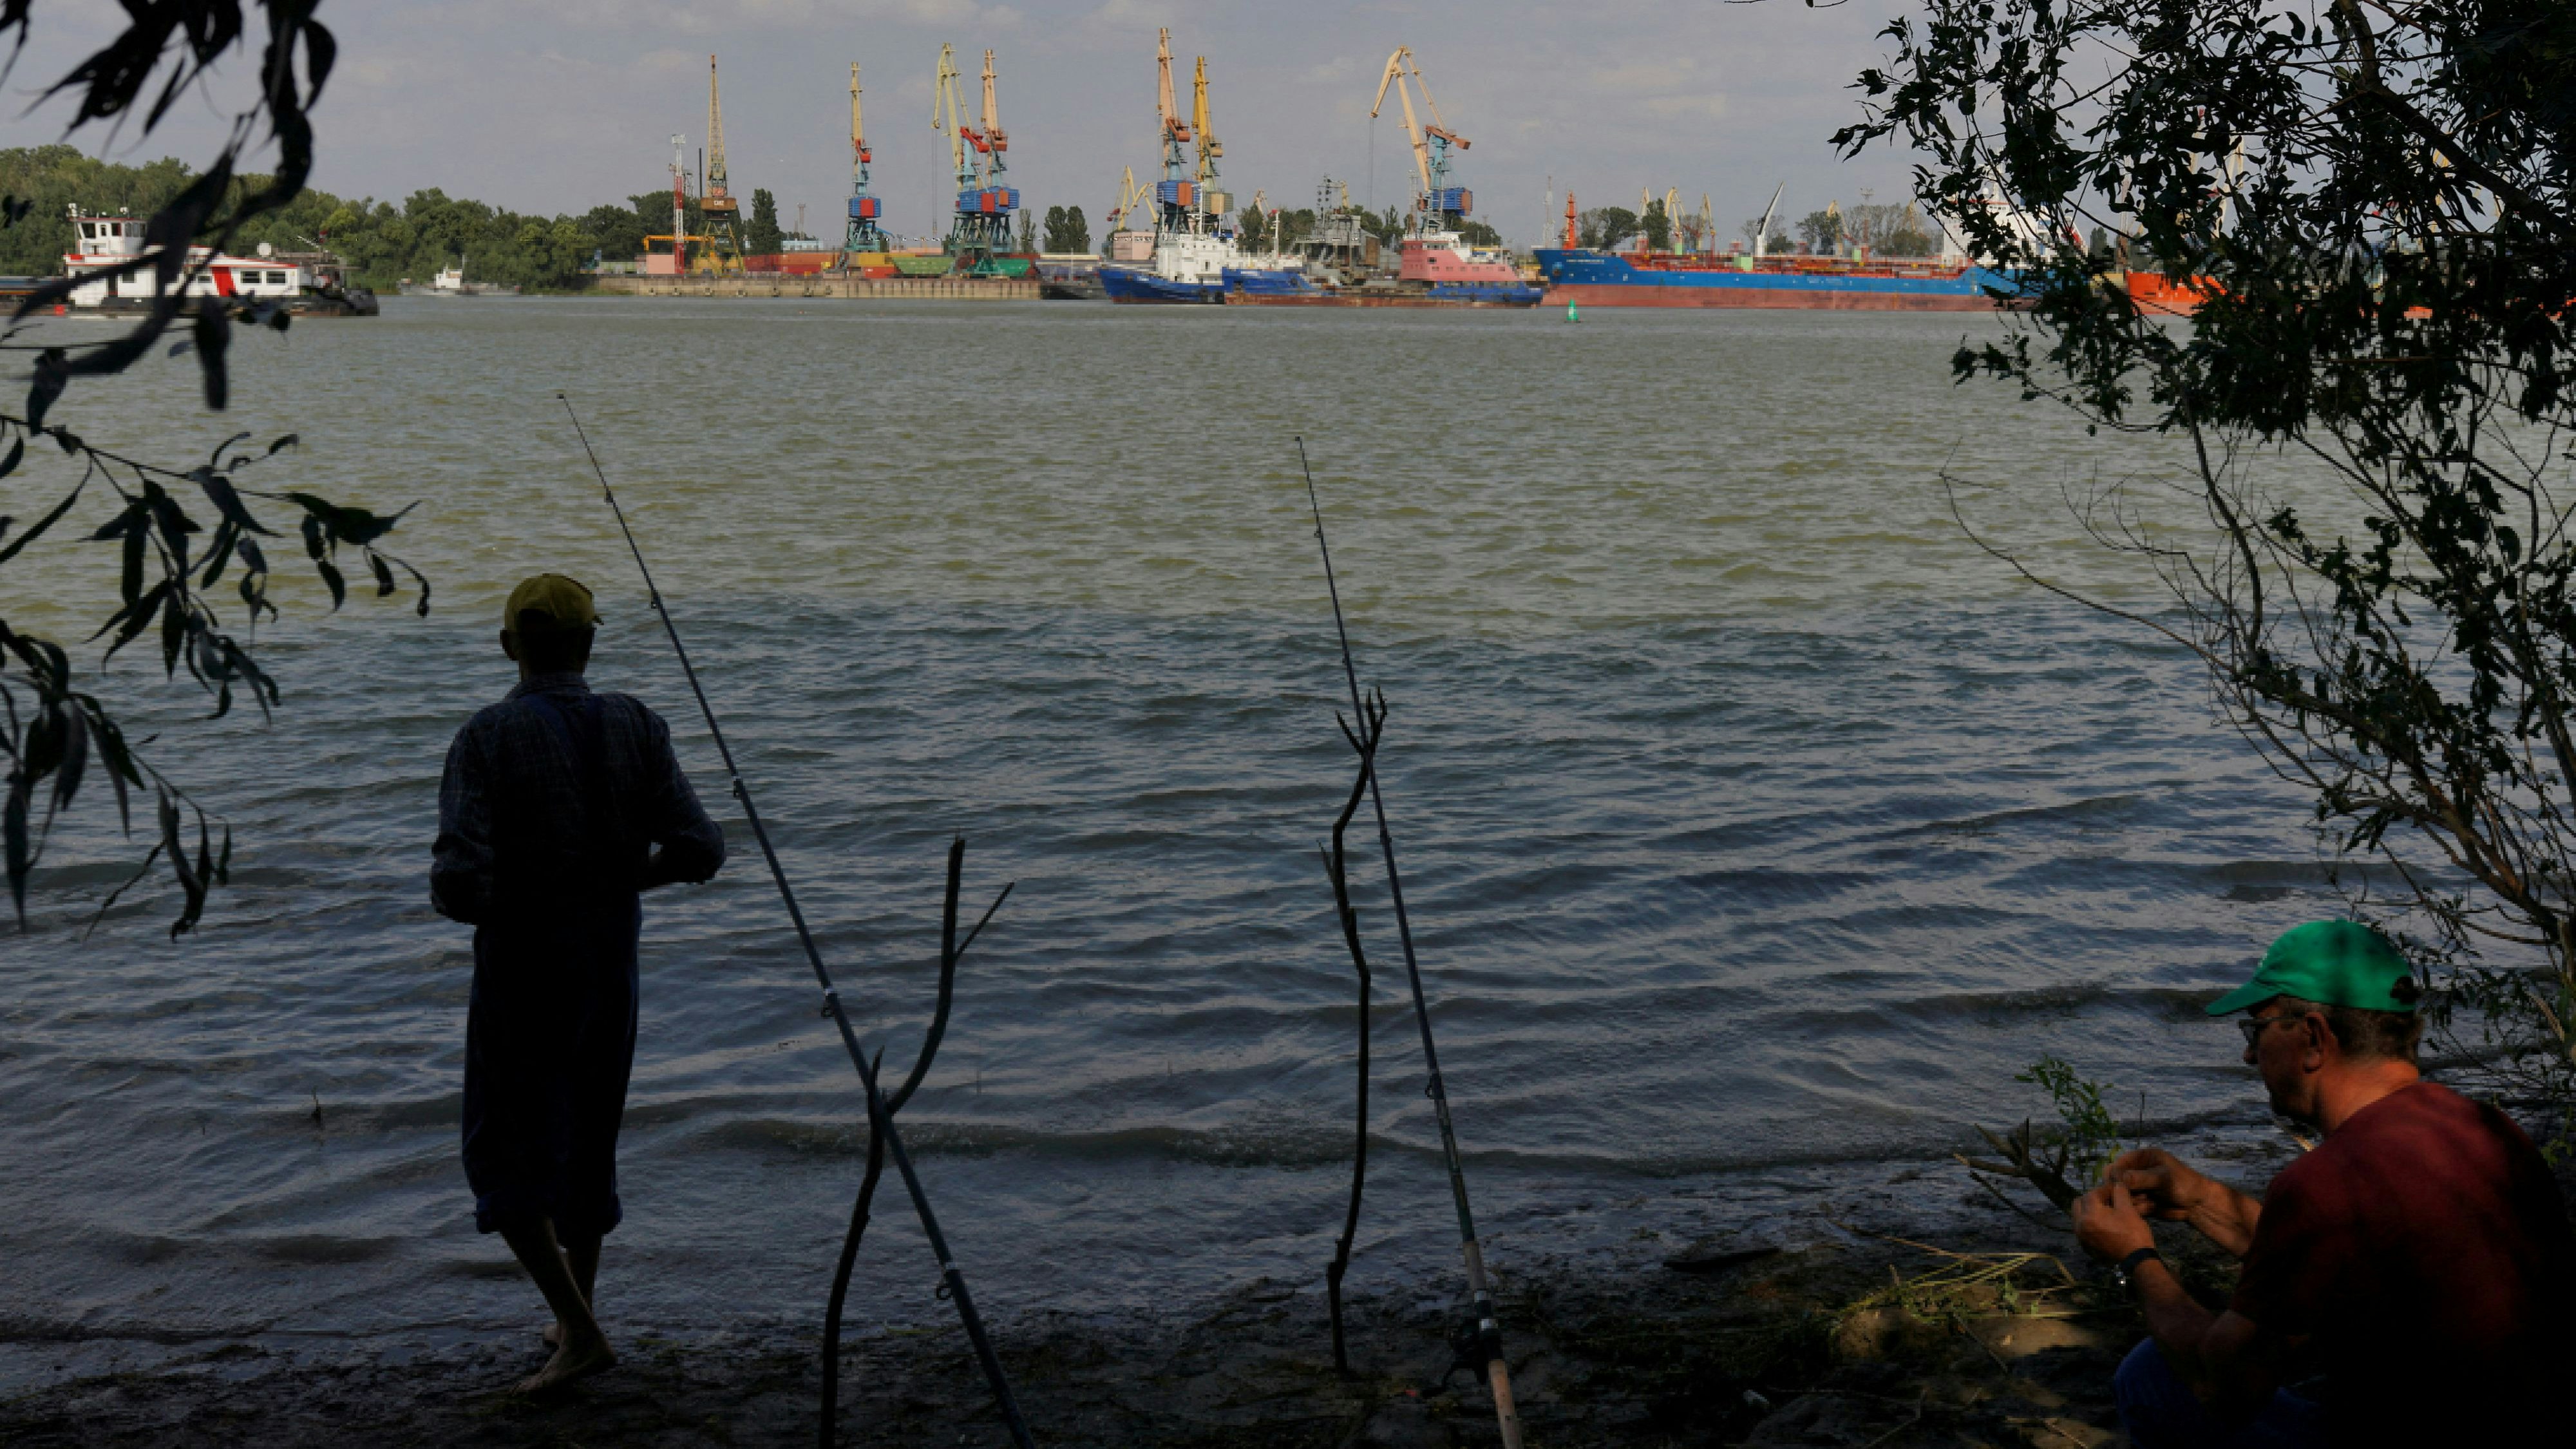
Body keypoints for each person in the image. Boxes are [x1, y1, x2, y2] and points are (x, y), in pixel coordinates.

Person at [2071, 919, 2576, 1447]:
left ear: (2312, 1038)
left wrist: (2135, 1260)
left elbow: (2221, 1386)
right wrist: (2200, 1200)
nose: (2248, 1056)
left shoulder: (2327, 1183)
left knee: (2153, 1374)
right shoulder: (2489, 1131)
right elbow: (2340, 1253)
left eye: (2256, 1030)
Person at [431, 573, 726, 1392]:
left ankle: (583, 1334)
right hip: (610, 959)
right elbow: (701, 847)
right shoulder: (637, 722)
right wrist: (624, 883)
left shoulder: (486, 736)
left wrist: (519, 896)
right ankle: (574, 1317)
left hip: (524, 965)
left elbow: (458, 883)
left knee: (502, 1148)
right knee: (587, 1136)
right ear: (590, 644)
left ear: (507, 647)